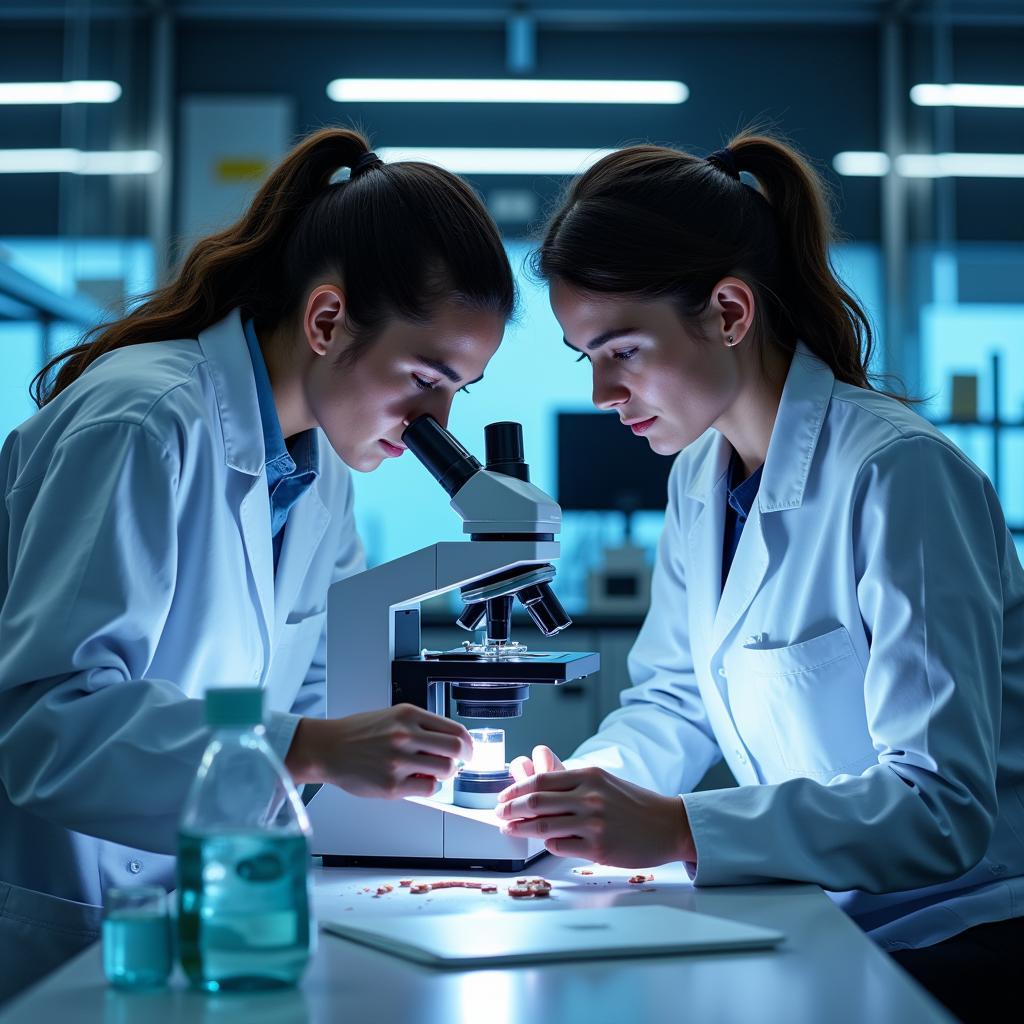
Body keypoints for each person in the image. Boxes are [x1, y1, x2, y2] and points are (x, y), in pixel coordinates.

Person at [495, 132, 1024, 1020]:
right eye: (585, 356)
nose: (602, 394)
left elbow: (939, 805)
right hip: (819, 913)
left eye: (622, 350)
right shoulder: (701, 475)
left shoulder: (899, 475)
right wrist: (580, 795)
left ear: (730, 312)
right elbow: (672, 701)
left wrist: (673, 828)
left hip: (959, 935)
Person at [0, 127, 514, 1003]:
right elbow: (45, 722)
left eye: (458, 390)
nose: (439, 419)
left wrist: (390, 771)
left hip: (199, 908)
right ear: (325, 321)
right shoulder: (143, 421)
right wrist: (311, 750)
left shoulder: (317, 475)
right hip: (68, 913)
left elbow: (311, 693)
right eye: (426, 376)